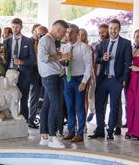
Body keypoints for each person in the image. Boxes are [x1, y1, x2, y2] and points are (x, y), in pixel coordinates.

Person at [89, 19, 132, 140]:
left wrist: (124, 79)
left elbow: (128, 63)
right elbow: (97, 60)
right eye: (111, 28)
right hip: (103, 79)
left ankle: (110, 131)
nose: (112, 31)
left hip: (116, 80)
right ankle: (99, 130)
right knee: (99, 105)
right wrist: (103, 58)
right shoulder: (103, 43)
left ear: (119, 29)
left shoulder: (126, 43)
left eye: (115, 28)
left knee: (113, 107)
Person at [38, 20, 70, 149]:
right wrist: (59, 57)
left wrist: (59, 58)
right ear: (58, 29)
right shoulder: (46, 40)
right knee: (56, 104)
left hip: (53, 75)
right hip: (50, 77)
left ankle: (44, 135)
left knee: (47, 104)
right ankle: (52, 137)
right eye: (63, 32)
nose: (64, 35)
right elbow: (43, 58)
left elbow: (50, 58)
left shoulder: (51, 41)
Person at [61, 24, 92, 143]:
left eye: (71, 32)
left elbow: (89, 65)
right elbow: (61, 64)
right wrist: (63, 62)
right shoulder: (64, 47)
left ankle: (80, 133)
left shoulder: (84, 47)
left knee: (79, 107)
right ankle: (71, 131)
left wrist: (84, 81)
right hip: (67, 79)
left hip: (79, 79)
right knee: (69, 107)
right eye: (67, 32)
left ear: (77, 34)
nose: (68, 34)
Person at [3, 18, 35, 119]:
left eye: (17, 27)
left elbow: (33, 59)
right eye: (13, 27)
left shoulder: (28, 41)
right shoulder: (6, 41)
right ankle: (9, 121)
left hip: (24, 74)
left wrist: (21, 62)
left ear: (21, 27)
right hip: (9, 75)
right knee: (9, 99)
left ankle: (24, 123)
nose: (15, 29)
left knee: (24, 99)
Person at [28, 25, 48, 129]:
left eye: (41, 34)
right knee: (34, 96)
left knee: (43, 97)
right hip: (33, 72)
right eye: (37, 33)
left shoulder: (45, 42)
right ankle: (31, 119)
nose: (39, 35)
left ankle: (40, 118)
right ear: (33, 32)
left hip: (44, 71)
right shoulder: (28, 41)